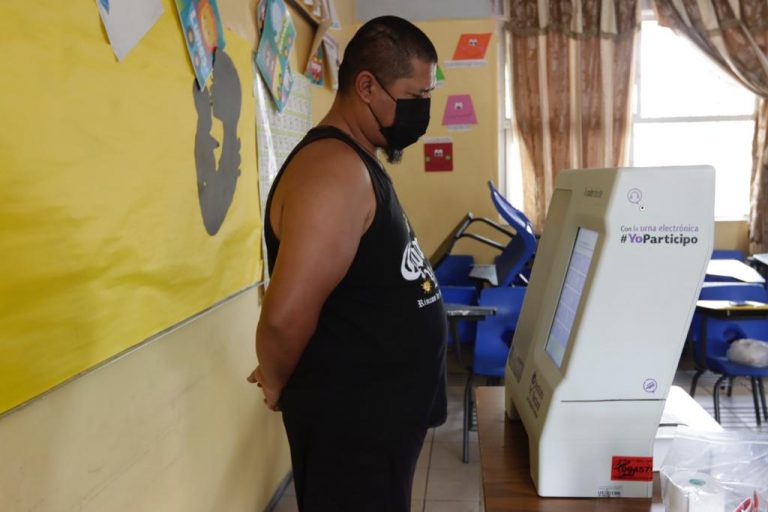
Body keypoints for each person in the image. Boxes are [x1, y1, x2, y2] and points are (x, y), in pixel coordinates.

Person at [247, 15, 447, 512]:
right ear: (366, 86)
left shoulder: (358, 160)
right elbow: (283, 317)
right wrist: (275, 380)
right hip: (352, 429)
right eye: (416, 95)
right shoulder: (334, 172)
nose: (423, 110)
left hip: (375, 426)